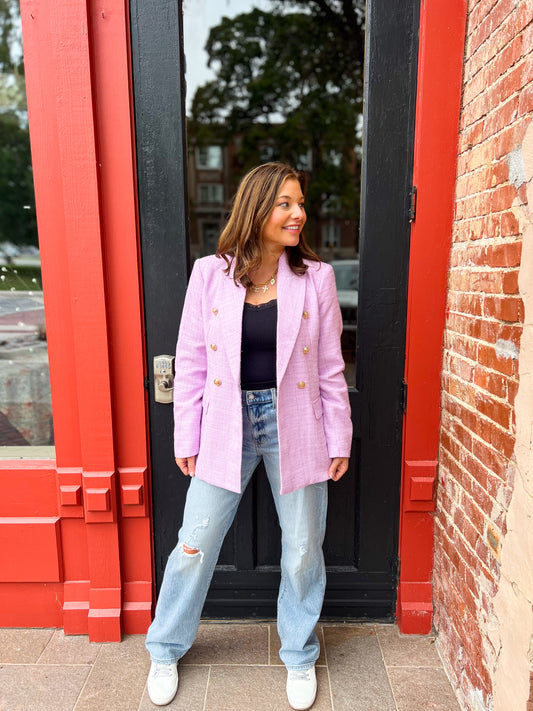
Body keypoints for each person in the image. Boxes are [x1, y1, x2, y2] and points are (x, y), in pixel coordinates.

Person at [145, 162, 352, 709]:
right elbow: (190, 359)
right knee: (194, 543)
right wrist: (184, 433)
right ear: (257, 208)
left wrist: (340, 438)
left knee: (304, 549)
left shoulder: (318, 278)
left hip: (296, 424)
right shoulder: (210, 274)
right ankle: (165, 647)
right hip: (225, 423)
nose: (298, 213)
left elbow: (330, 366)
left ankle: (299, 655)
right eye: (285, 203)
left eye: (300, 203)